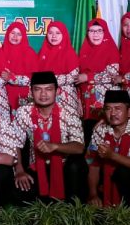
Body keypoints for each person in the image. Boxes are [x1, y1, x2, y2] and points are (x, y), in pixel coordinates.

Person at [12, 71, 87, 202]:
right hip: (37, 166)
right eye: (38, 89)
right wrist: (19, 170)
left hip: (64, 167)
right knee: (20, 191)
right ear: (31, 92)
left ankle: (72, 208)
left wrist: (55, 146)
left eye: (48, 89)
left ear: (57, 91)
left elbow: (79, 147)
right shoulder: (23, 112)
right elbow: (14, 142)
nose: (43, 94)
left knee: (76, 166)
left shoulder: (69, 112)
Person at [86, 89, 130, 207]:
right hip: (107, 182)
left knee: (123, 172)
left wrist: (112, 155)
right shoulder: (100, 130)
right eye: (108, 109)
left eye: (118, 109)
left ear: (129, 112)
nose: (112, 113)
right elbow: (93, 165)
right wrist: (93, 194)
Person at [77, 18, 120, 141]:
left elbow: (113, 75)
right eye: (91, 31)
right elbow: (78, 78)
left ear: (105, 32)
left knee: (103, 136)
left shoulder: (111, 50)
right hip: (86, 103)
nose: (95, 34)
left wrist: (88, 77)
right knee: (88, 135)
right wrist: (78, 99)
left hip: (104, 102)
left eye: (99, 31)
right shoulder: (84, 50)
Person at [38, 21, 81, 117]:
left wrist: (48, 80)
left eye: (58, 33)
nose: (54, 36)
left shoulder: (69, 52)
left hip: (66, 97)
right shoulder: (43, 52)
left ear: (64, 34)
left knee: (66, 123)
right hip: (45, 97)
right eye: (50, 33)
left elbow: (74, 76)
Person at [0, 21, 39, 116]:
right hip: (3, 96)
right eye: (12, 33)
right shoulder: (0, 51)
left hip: (23, 96)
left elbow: (33, 79)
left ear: (23, 36)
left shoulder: (29, 52)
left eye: (19, 34)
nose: (15, 36)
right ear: (7, 34)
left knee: (21, 121)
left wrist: (12, 78)